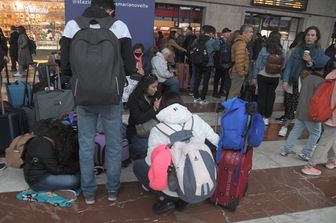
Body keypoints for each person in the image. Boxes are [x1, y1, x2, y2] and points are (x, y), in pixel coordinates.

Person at [60, 0, 135, 204]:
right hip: (112, 96)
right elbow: (130, 66)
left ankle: (90, 193)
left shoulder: (72, 25)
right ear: (109, 9)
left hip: (83, 96)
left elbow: (65, 66)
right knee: (114, 145)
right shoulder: (119, 26)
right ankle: (112, 190)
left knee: (85, 145)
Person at [133, 91, 219, 214]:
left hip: (171, 188)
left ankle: (165, 199)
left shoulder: (157, 130)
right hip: (197, 184)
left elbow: (151, 163)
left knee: (139, 165)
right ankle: (184, 199)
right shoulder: (196, 119)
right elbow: (216, 140)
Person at [280, 26, 330, 161]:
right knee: (296, 111)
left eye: (313, 35)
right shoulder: (297, 50)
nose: (310, 37)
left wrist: (309, 61)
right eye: (308, 34)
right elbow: (289, 66)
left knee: (300, 121)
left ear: (317, 37)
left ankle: (287, 149)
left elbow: (318, 67)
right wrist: (285, 80)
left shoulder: (319, 52)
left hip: (307, 85)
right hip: (296, 84)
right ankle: (304, 151)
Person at [21, 120, 80, 193]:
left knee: (78, 174)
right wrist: (77, 167)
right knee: (74, 180)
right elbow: (56, 169)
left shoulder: (42, 140)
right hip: (38, 181)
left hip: (43, 172)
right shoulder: (45, 145)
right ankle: (52, 189)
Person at [301, 69, 336, 175]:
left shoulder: (332, 77)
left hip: (328, 113)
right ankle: (310, 166)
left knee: (332, 138)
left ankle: (332, 160)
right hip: (333, 116)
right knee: (325, 142)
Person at [252, 31, 285, 126]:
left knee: (262, 96)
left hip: (263, 75)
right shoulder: (281, 51)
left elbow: (258, 64)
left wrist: (254, 76)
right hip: (275, 77)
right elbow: (283, 65)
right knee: (270, 96)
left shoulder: (264, 49)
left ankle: (260, 115)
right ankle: (267, 117)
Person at [126, 74, 160, 160]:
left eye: (156, 87)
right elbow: (139, 119)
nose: (156, 89)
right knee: (145, 146)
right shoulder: (134, 98)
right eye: (153, 87)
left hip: (152, 129)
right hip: (137, 131)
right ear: (145, 86)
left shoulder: (155, 95)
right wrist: (154, 109)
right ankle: (127, 150)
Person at [276, 32, 305, 129]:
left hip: (301, 82)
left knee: (293, 103)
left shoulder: (311, 53)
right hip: (292, 81)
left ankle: (286, 123)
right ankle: (288, 118)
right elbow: (287, 66)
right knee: (289, 101)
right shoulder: (294, 51)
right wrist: (285, 79)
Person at [192, 25, 220, 105]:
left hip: (197, 62)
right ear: (211, 33)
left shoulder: (197, 40)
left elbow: (192, 47)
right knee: (205, 82)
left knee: (197, 79)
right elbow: (217, 48)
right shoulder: (211, 41)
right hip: (207, 64)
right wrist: (216, 38)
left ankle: (196, 97)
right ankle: (202, 99)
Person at [227, 24, 254, 99]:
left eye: (252, 32)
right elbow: (239, 60)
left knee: (234, 94)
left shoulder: (241, 43)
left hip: (236, 72)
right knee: (233, 95)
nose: (252, 34)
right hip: (237, 73)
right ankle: (229, 110)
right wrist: (242, 73)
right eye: (250, 32)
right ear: (244, 33)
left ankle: (230, 109)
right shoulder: (241, 44)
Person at [213, 27, 232, 98]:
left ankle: (221, 91)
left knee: (224, 78)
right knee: (217, 78)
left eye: (229, 33)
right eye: (227, 33)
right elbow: (216, 49)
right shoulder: (218, 40)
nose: (229, 34)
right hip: (219, 63)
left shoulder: (228, 41)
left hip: (226, 63)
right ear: (223, 33)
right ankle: (215, 92)